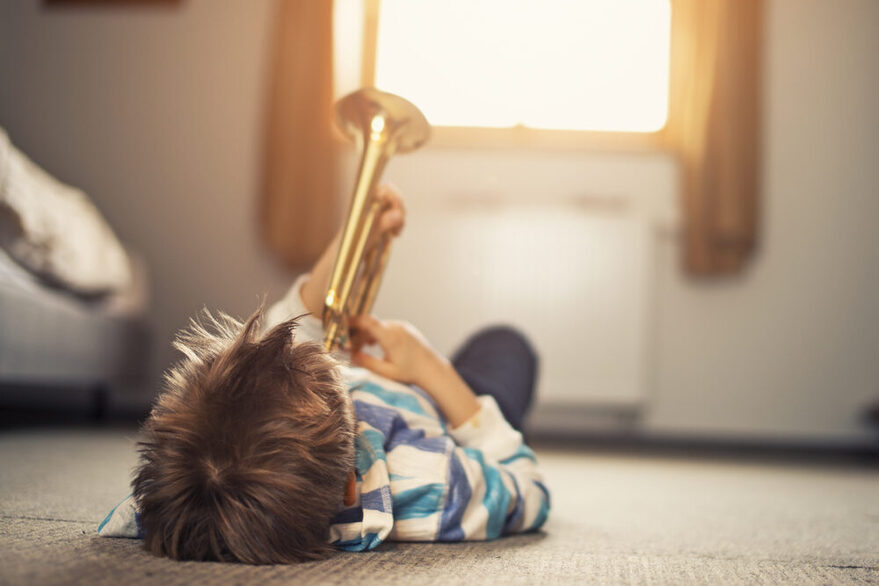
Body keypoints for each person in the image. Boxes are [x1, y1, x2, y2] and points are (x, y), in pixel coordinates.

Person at [99, 185, 549, 564]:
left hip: (392, 391)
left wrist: (357, 232)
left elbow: (300, 318)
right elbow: (528, 487)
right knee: (505, 342)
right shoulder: (435, 487)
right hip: (445, 417)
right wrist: (431, 370)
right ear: (352, 487)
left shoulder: (167, 502)